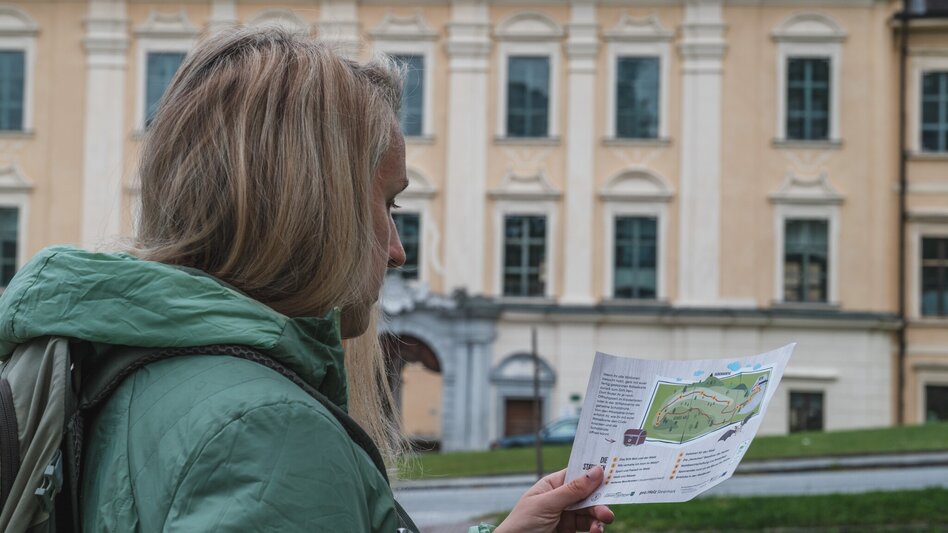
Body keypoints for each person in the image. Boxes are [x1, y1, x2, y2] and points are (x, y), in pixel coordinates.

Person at [0, 28, 614, 532]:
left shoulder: (119, 362)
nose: (399, 251)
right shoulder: (265, 428)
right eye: (390, 207)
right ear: (314, 207)